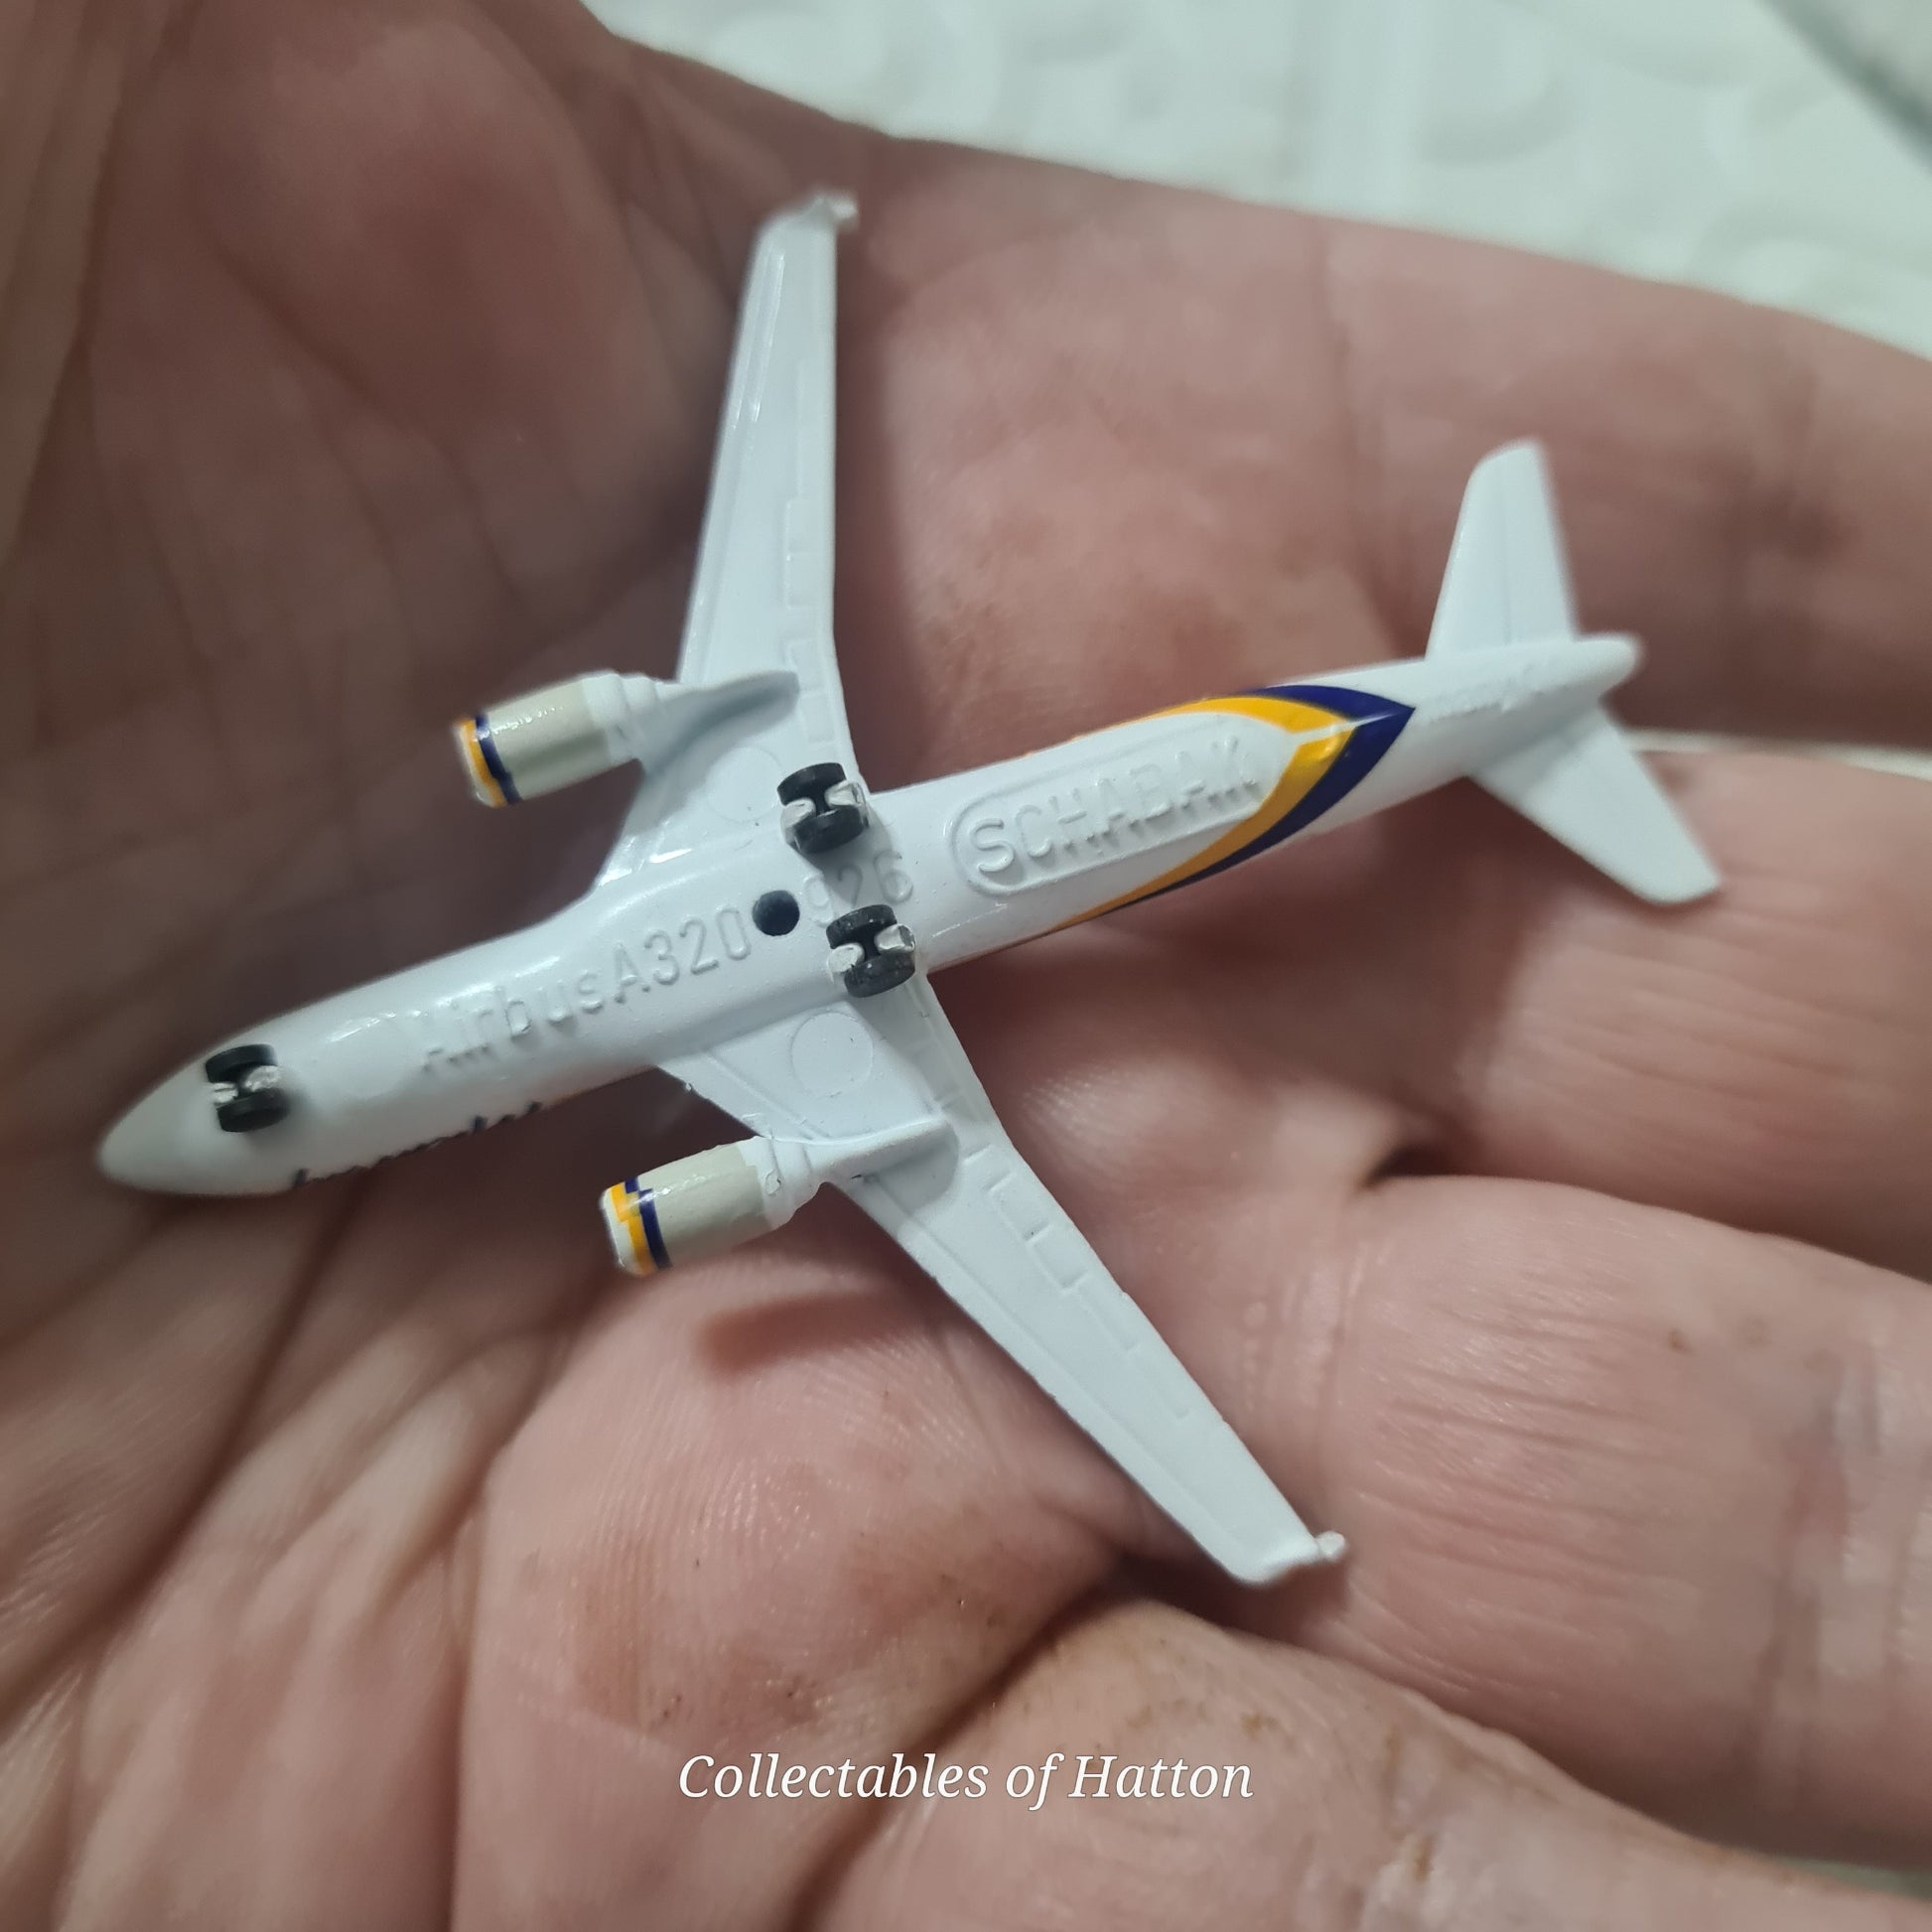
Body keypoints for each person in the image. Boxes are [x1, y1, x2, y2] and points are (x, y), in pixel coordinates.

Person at [3, 0, 1929, 1923]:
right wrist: (770, 1171)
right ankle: (1506, 705)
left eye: (260, 1092)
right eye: (272, 1113)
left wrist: (793, 270)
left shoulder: (714, 798)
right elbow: (961, 1195)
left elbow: (755, 609)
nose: (264, 1093)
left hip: (1203, 774)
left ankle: (1508, 694)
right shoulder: (728, 842)